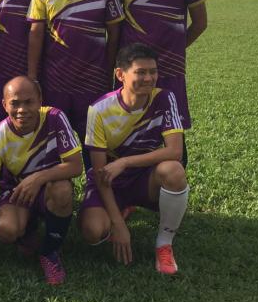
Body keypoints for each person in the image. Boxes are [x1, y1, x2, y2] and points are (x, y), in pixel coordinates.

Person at [79, 43, 189, 275]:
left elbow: (175, 151)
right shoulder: (99, 110)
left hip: (142, 178)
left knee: (174, 171)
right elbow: (100, 173)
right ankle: (119, 212)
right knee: (92, 231)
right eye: (141, 72)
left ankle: (164, 244)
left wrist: (125, 162)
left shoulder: (165, 98)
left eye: (153, 72)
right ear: (120, 74)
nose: (149, 78)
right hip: (110, 181)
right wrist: (118, 225)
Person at [0, 76, 83, 285]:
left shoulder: (55, 118)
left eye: (29, 102)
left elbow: (75, 166)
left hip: (48, 187)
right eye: (15, 103)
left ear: (40, 100)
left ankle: (50, 252)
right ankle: (28, 231)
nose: (22, 110)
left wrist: (38, 178)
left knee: (62, 190)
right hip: (17, 192)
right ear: (4, 105)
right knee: (6, 229)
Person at [111, 0, 208, 163]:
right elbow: (113, 21)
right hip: (131, 71)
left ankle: (174, 184)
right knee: (125, 131)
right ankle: (127, 184)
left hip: (169, 69)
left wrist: (175, 49)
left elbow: (200, 23)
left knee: (172, 134)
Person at [27, 0, 124, 171]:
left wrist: (109, 73)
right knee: (54, 143)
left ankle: (98, 188)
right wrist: (32, 77)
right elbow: (36, 35)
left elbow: (114, 35)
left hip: (93, 83)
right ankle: (57, 190)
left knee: (95, 143)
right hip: (54, 82)